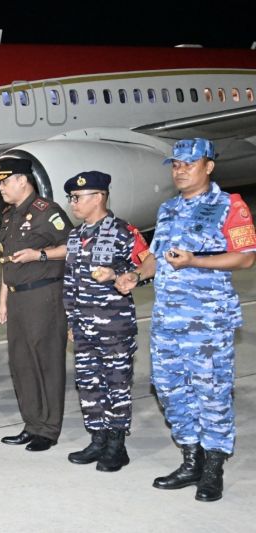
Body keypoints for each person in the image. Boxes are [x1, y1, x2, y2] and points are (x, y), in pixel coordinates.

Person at [116, 138, 256, 502]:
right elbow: (156, 257)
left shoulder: (230, 206)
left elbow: (244, 259)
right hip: (167, 319)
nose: (180, 170)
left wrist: (196, 261)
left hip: (208, 319)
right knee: (168, 388)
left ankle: (213, 467)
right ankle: (190, 458)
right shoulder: (167, 210)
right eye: (175, 164)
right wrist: (136, 274)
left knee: (211, 392)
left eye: (188, 164)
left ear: (208, 166)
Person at [61, 171, 150, 472]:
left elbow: (148, 266)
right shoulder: (75, 236)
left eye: (77, 197)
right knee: (88, 383)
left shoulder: (124, 231)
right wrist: (71, 320)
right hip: (83, 324)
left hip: (114, 325)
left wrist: (129, 279)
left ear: (98, 197)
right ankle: (97, 438)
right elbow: (70, 283)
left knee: (116, 383)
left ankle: (116, 444)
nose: (72, 203)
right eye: (71, 197)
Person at [0, 159, 73, 451]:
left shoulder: (47, 212)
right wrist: (3, 300)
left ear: (22, 181)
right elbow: (7, 261)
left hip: (44, 295)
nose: (0, 188)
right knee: (22, 363)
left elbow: (72, 247)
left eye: (5, 181)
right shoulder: (9, 215)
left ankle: (49, 429)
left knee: (47, 362)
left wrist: (39, 255)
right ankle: (32, 424)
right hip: (17, 298)